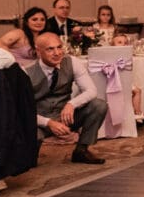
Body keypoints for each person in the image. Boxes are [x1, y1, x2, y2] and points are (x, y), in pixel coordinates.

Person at [25, 33, 107, 164]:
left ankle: (82, 151)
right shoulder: (26, 72)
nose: (57, 53)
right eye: (50, 49)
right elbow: (22, 111)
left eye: (59, 47)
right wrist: (49, 123)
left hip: (65, 115)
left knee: (98, 105)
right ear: (38, 51)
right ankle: (30, 154)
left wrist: (71, 104)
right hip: (38, 120)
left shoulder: (72, 62)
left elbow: (91, 91)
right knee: (27, 163)